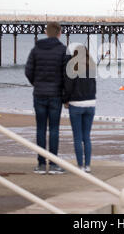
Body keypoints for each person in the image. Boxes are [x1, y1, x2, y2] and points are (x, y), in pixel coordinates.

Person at [25, 22, 69, 175]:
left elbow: (28, 70)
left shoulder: (36, 49)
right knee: (54, 129)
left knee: (41, 129)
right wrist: (66, 96)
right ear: (59, 33)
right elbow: (67, 76)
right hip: (55, 95)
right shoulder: (63, 50)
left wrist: (36, 83)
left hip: (39, 94)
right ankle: (55, 163)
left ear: (46, 32)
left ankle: (41, 164)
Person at [63, 45, 96, 173]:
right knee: (86, 137)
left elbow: (68, 87)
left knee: (77, 137)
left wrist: (65, 100)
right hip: (90, 103)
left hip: (76, 104)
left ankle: (80, 166)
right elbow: (93, 87)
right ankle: (88, 165)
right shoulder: (92, 67)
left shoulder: (72, 67)